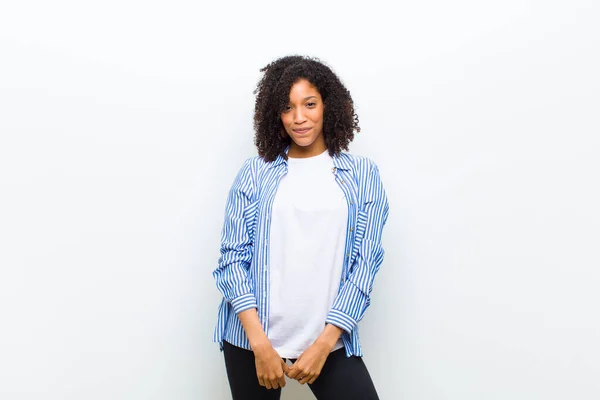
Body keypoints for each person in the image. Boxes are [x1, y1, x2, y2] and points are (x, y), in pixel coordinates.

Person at [212, 55, 389, 400]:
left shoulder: (363, 176)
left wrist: (325, 344)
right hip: (252, 340)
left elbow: (364, 266)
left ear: (328, 106)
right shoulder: (254, 173)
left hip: (327, 340)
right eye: (287, 107)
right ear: (274, 114)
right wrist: (260, 345)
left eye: (309, 104)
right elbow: (232, 261)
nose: (299, 118)